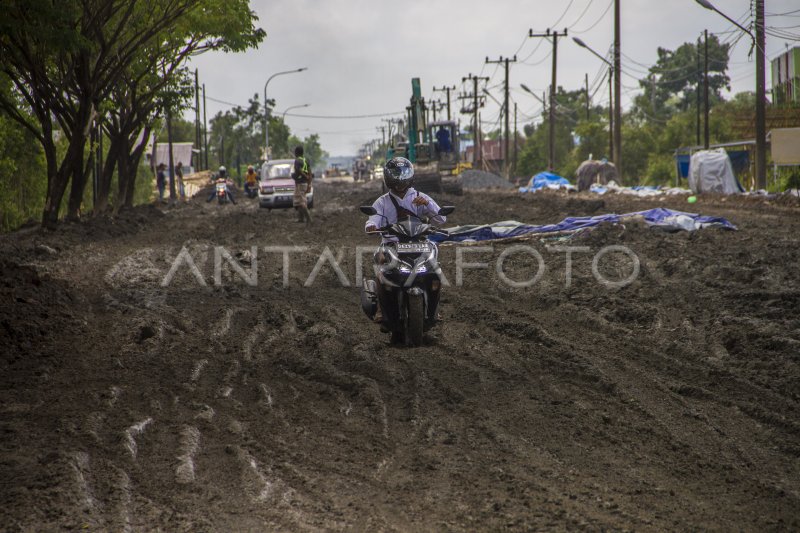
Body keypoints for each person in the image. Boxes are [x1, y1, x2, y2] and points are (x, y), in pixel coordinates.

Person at [365, 156, 446, 241]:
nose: (400, 180)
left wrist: (428, 204)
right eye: (396, 175)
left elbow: (441, 219)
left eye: (404, 174)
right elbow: (373, 221)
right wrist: (371, 226)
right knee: (381, 251)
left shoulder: (421, 197)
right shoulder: (381, 202)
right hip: (390, 245)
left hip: (419, 244)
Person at [291, 146, 313, 224]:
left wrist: (304, 175)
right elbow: (310, 173)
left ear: (296, 153)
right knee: (299, 201)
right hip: (304, 184)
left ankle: (309, 219)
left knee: (301, 202)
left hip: (300, 184)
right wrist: (309, 184)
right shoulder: (305, 160)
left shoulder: (297, 161)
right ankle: (301, 218)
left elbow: (299, 170)